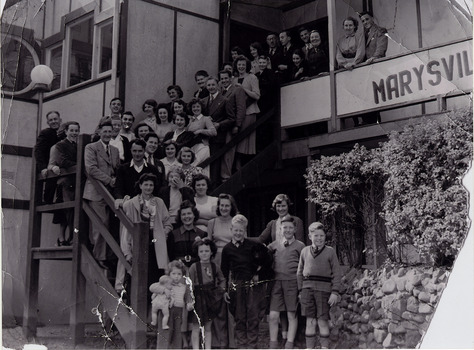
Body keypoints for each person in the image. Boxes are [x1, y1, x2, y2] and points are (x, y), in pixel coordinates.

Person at [220, 214, 272, 349]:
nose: (238, 233)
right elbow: (224, 272)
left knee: (253, 317)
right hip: (237, 285)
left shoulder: (254, 245)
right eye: (236, 230)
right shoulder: (227, 249)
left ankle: (252, 346)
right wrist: (225, 290)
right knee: (239, 317)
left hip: (253, 285)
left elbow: (268, 260)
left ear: (245, 231)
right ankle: (242, 346)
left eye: (241, 230)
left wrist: (257, 274)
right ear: (231, 230)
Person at [116, 173, 172, 293]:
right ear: (140, 185)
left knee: (155, 274)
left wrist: (164, 233)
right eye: (145, 184)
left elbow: (167, 222)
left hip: (155, 240)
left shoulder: (159, 202)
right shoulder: (132, 203)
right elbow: (125, 227)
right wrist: (127, 252)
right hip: (138, 240)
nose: (148, 188)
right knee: (137, 274)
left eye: (151, 185)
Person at [297, 222, 342, 349]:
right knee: (310, 321)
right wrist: (301, 291)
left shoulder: (330, 252)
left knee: (322, 321)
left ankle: (324, 347)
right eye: (316, 235)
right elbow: (299, 272)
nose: (319, 238)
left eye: (321, 235)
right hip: (307, 291)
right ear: (310, 236)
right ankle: (309, 347)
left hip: (324, 291)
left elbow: (336, 273)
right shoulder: (305, 251)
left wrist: (334, 292)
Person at [83, 121, 120, 269]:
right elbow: (91, 169)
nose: (107, 134)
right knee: (100, 223)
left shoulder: (115, 150)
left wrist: (115, 180)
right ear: (99, 132)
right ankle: (99, 256)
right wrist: (109, 180)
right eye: (104, 131)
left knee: (110, 224)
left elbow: (116, 169)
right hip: (96, 191)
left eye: (109, 132)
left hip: (110, 193)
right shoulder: (91, 147)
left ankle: (107, 255)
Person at [267, 215, 305, 349]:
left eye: (290, 228)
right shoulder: (274, 245)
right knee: (273, 315)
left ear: (295, 229)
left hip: (292, 283)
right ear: (280, 229)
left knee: (291, 314)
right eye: (285, 228)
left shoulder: (300, 246)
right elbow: (263, 256)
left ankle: (289, 343)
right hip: (277, 283)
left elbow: (305, 267)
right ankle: (273, 344)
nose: (287, 230)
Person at [207, 193, 239, 349]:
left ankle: (232, 342)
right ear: (218, 207)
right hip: (216, 262)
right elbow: (208, 246)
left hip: (233, 260)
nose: (224, 208)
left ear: (231, 206)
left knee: (231, 299)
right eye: (222, 205)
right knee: (218, 300)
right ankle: (219, 341)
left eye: (227, 205)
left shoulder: (237, 221)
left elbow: (241, 241)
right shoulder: (212, 222)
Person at [188, 238, 226, 350]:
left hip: (210, 298)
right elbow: (189, 285)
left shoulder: (215, 266)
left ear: (212, 252)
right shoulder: (194, 267)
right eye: (201, 251)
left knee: (208, 326)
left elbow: (222, 279)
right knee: (196, 326)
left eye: (207, 251)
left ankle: (207, 348)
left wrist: (220, 291)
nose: (204, 254)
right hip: (197, 296)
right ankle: (195, 348)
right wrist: (189, 300)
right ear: (197, 253)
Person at [49, 121, 80, 246]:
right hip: (65, 181)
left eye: (76, 130)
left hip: (76, 181)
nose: (74, 133)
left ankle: (72, 238)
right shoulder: (60, 145)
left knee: (74, 210)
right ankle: (63, 238)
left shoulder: (79, 145)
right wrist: (79, 166)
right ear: (66, 131)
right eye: (71, 130)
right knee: (66, 211)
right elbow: (62, 161)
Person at [201, 77, 234, 182]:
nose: (211, 87)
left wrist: (219, 124)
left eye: (213, 85)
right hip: (205, 136)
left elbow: (231, 118)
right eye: (209, 85)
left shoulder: (224, 100)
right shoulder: (203, 101)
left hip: (217, 137)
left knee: (215, 162)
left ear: (218, 86)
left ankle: (213, 185)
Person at [156, 260, 194, 349]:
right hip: (166, 311)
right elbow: (153, 288)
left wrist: (189, 304)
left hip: (178, 311)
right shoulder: (165, 284)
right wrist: (164, 290)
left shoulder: (184, 286)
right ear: (169, 274)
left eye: (179, 274)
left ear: (182, 275)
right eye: (173, 274)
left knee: (177, 332)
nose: (176, 276)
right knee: (165, 333)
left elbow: (188, 297)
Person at [114, 139, 163, 205]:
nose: (137, 154)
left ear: (144, 151)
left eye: (140, 151)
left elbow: (157, 189)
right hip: (128, 205)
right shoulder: (122, 168)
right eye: (134, 151)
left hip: (147, 205)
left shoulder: (152, 169)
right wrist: (120, 199)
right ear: (130, 151)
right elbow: (118, 187)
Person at [233, 55, 260, 170]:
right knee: (237, 138)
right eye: (239, 64)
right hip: (237, 113)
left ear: (247, 65)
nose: (241, 67)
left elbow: (257, 95)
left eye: (243, 65)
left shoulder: (252, 77)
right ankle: (238, 164)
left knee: (245, 139)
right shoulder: (233, 79)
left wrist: (243, 89)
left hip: (249, 112)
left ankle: (241, 164)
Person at [219, 69, 246, 181]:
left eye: (226, 78)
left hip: (231, 125)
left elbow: (241, 108)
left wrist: (237, 125)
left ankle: (226, 175)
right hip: (221, 125)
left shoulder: (237, 90)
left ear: (230, 78)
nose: (224, 80)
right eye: (222, 79)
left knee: (229, 150)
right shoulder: (220, 91)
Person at [167, 200, 207, 269]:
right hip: (178, 271)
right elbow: (170, 256)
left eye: (189, 213)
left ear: (194, 215)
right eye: (183, 214)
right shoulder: (173, 234)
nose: (186, 216)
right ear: (180, 217)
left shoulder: (202, 234)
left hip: (197, 270)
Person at [34, 111, 62, 203]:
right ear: (48, 122)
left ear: (60, 120)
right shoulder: (45, 133)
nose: (53, 121)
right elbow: (38, 150)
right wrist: (42, 168)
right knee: (49, 193)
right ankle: (47, 200)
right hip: (49, 166)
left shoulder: (64, 134)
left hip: (62, 166)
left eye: (55, 119)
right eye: (51, 120)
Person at [187, 98, 217, 177]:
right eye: (193, 107)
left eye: (197, 107)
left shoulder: (206, 119)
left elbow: (214, 132)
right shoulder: (190, 120)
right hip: (191, 147)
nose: (195, 109)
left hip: (202, 146)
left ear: (201, 108)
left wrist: (201, 130)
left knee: (199, 168)